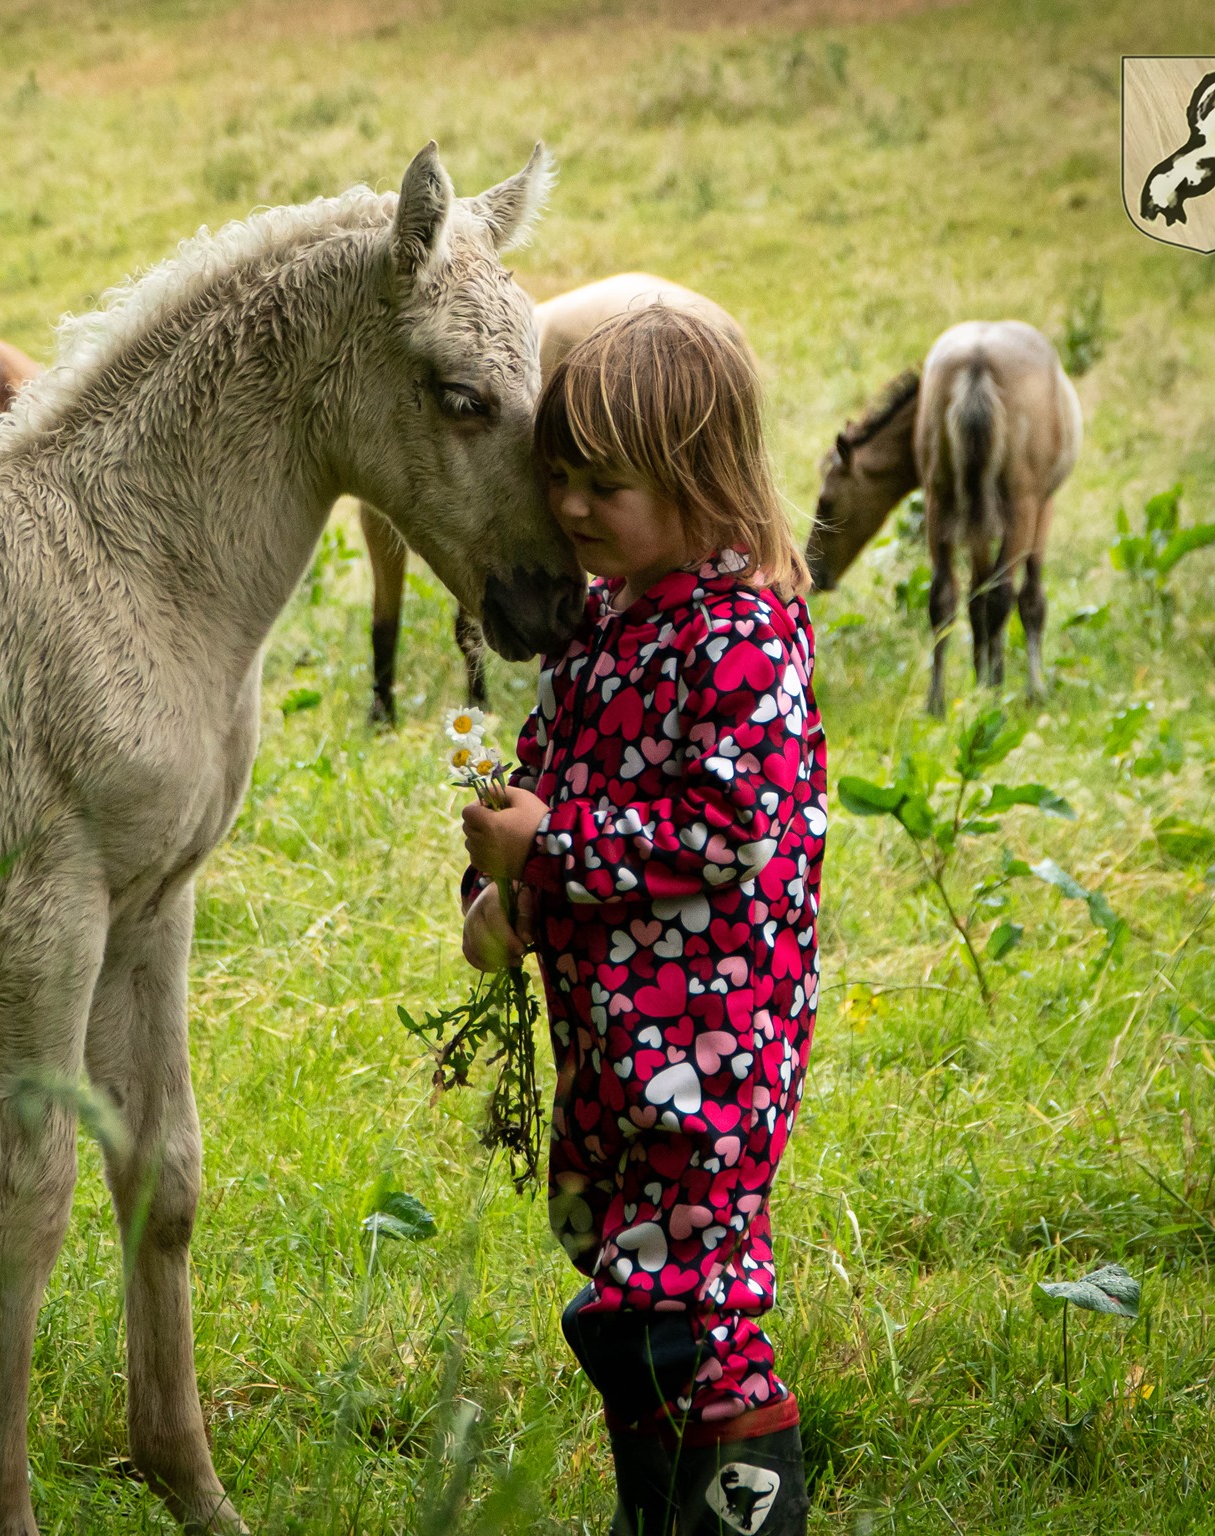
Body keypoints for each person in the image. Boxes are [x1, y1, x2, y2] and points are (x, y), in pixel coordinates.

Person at [459, 304, 827, 1536]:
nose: (566, 509)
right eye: (555, 479)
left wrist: (551, 847)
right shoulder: (605, 625)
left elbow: (727, 832)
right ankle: (651, 1509)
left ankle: (741, 1515)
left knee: (688, 1301)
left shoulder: (741, 639)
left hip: (711, 1040)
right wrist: (494, 887)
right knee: (618, 1273)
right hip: (612, 1038)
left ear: (700, 482)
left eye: (600, 486)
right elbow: (538, 766)